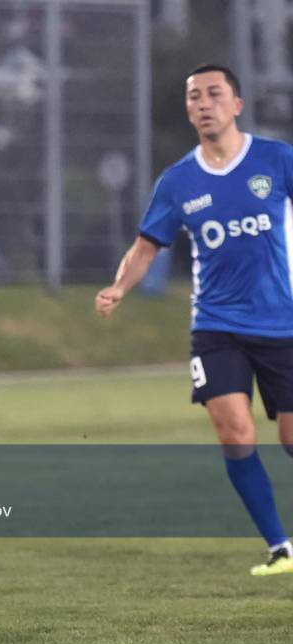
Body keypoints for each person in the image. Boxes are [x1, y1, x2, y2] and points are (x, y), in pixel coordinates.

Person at [96, 64, 293, 576]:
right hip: (216, 326)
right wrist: (119, 287)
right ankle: (280, 548)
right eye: (194, 96)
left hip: (283, 325)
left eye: (214, 94)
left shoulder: (277, 160)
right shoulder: (178, 181)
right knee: (235, 434)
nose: (203, 103)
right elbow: (146, 247)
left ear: (237, 104)